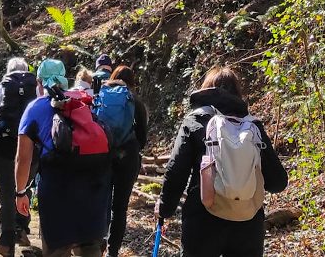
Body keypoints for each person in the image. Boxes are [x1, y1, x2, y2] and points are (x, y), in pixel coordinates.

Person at [156, 66, 287, 257]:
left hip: (203, 219)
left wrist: (164, 209)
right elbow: (278, 183)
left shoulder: (195, 121)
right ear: (237, 93)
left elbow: (176, 171)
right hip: (248, 224)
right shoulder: (252, 126)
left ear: (206, 89)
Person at [14, 58, 111, 257]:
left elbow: (23, 158)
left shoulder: (35, 108)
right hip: (94, 188)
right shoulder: (84, 100)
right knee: (90, 249)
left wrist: (20, 192)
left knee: (57, 251)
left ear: (40, 83)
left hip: (57, 190)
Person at [0, 58, 40, 256]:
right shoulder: (37, 86)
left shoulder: (3, 85)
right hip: (30, 145)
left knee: (7, 191)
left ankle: (6, 242)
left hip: (5, 145)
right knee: (24, 187)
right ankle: (21, 227)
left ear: (8, 70)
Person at [98, 66, 148, 257]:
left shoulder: (101, 95)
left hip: (104, 154)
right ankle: (113, 251)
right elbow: (142, 136)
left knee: (102, 200)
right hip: (127, 156)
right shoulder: (135, 101)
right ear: (132, 82)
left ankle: (97, 244)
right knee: (119, 207)